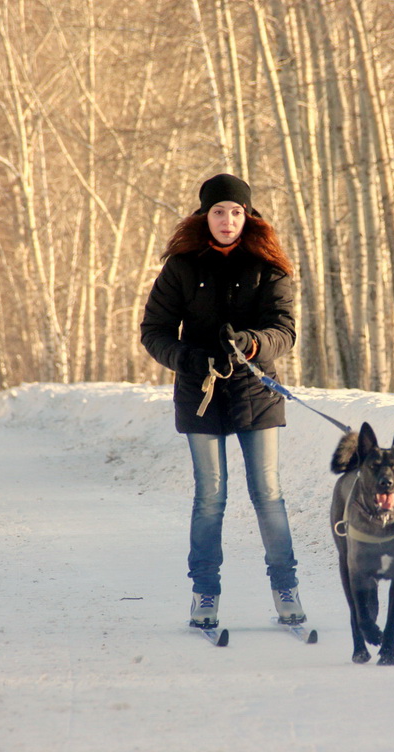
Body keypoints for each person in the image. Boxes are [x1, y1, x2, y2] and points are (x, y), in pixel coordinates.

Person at [140, 174, 305, 631]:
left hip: (257, 391)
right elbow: (153, 332)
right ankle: (204, 593)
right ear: (204, 216)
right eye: (218, 211)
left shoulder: (269, 266)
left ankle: (286, 586)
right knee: (210, 497)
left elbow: (285, 331)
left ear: (247, 216)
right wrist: (187, 358)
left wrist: (253, 343)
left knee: (267, 493)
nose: (227, 220)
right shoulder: (181, 267)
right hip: (201, 393)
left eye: (236, 211)